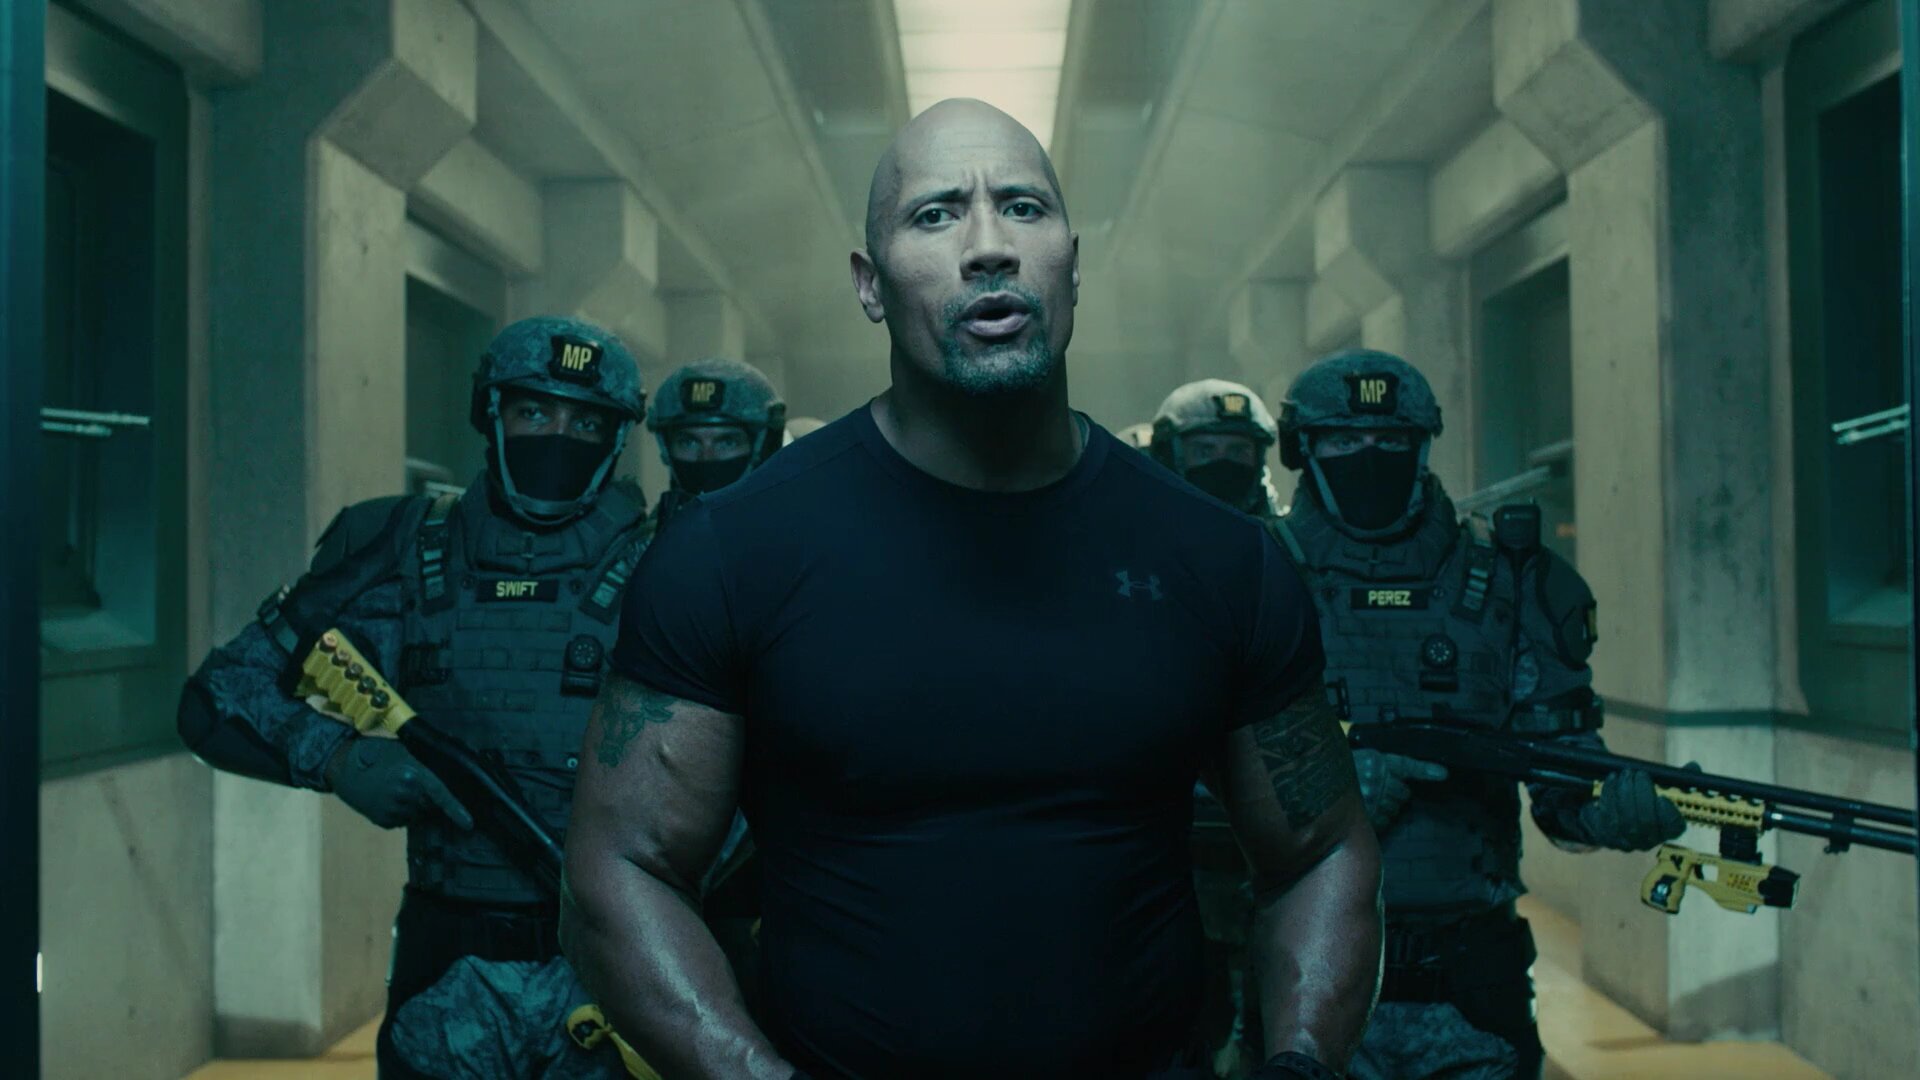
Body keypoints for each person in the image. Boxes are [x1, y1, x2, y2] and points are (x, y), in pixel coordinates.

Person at [561, 98, 1382, 1080]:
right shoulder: (732, 553)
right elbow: (623, 867)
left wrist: (1299, 1062)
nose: (989, 246)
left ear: (1071, 263)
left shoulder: (1220, 558)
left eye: (1024, 208)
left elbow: (1321, 852)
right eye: (937, 214)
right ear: (869, 284)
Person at [175, 315, 653, 1080]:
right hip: (448, 962)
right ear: (489, 413)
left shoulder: (671, 563)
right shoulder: (398, 550)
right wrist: (340, 759)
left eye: (587, 422)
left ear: (618, 436)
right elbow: (216, 698)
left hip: (617, 958)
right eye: (534, 411)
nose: (559, 438)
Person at [1269, 348, 1685, 1080]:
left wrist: (1611, 814)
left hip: (1469, 991)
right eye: (1344, 440)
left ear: (1423, 446)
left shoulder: (1509, 583)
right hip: (1305, 986)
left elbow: (1563, 791)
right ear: (1304, 450)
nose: (1371, 457)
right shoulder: (1253, 577)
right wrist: (1335, 796)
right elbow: (1183, 788)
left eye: (1392, 440)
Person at [647, 357, 786, 526]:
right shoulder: (644, 538)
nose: (706, 457)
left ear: (761, 447)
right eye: (689, 443)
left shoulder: (796, 532)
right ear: (666, 449)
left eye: (727, 443)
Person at [1151, 378, 1282, 518]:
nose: (1222, 464)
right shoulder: (1141, 528)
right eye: (1204, 452)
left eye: (1237, 451)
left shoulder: (1278, 531)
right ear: (1170, 457)